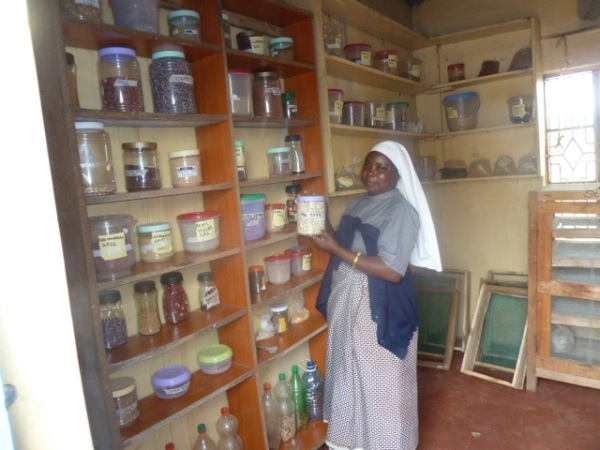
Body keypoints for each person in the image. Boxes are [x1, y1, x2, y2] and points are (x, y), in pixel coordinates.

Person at [311, 140, 442, 450]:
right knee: (349, 371)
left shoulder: (401, 211)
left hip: (380, 305)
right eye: (368, 165)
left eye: (381, 168)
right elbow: (342, 244)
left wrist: (335, 248)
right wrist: (321, 220)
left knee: (383, 379)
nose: (371, 173)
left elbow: (392, 270)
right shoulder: (358, 204)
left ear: (397, 174)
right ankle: (352, 442)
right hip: (349, 301)